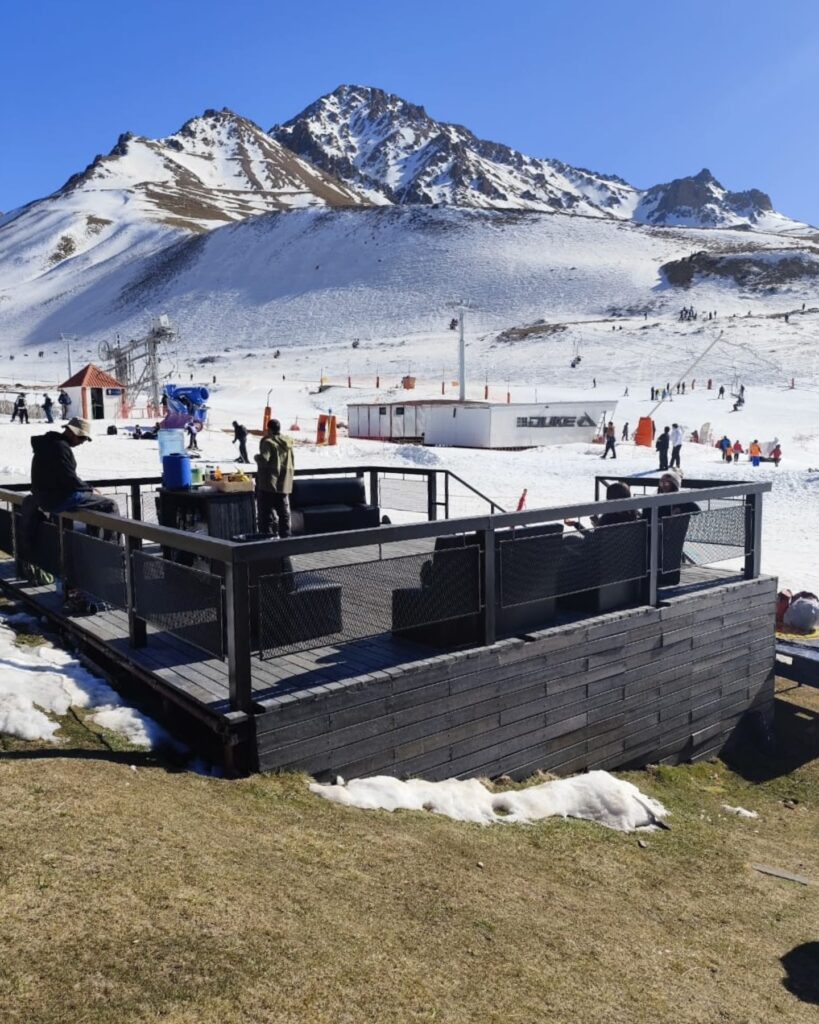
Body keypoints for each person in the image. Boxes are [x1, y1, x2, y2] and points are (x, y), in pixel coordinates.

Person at [20, 417, 118, 550]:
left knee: (96, 503)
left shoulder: (46, 444)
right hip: (57, 499)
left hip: (42, 497)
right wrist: (89, 489)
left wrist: (86, 489)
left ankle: (96, 547)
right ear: (73, 433)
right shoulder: (60, 448)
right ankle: (113, 551)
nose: (83, 442)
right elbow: (69, 479)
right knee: (110, 505)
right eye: (82, 438)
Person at [255, 418, 294, 538]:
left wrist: (256, 457)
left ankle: (265, 543)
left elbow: (264, 460)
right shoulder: (287, 442)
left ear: (269, 429)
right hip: (284, 484)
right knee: (284, 515)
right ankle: (286, 542)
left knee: (265, 517)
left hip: (268, 485)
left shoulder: (268, 442)